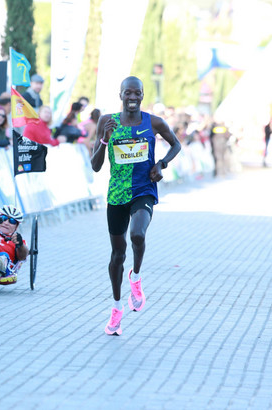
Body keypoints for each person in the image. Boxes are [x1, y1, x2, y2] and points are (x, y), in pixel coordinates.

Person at [91, 76, 181, 336]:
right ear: (120, 95)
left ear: (142, 95)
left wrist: (161, 164)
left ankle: (136, 277)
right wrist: (105, 139)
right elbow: (95, 166)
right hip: (116, 194)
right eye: (127, 93)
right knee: (117, 254)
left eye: (137, 93)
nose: (132, 98)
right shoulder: (107, 122)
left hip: (143, 189)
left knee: (138, 235)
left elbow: (176, 144)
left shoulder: (153, 122)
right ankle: (117, 307)